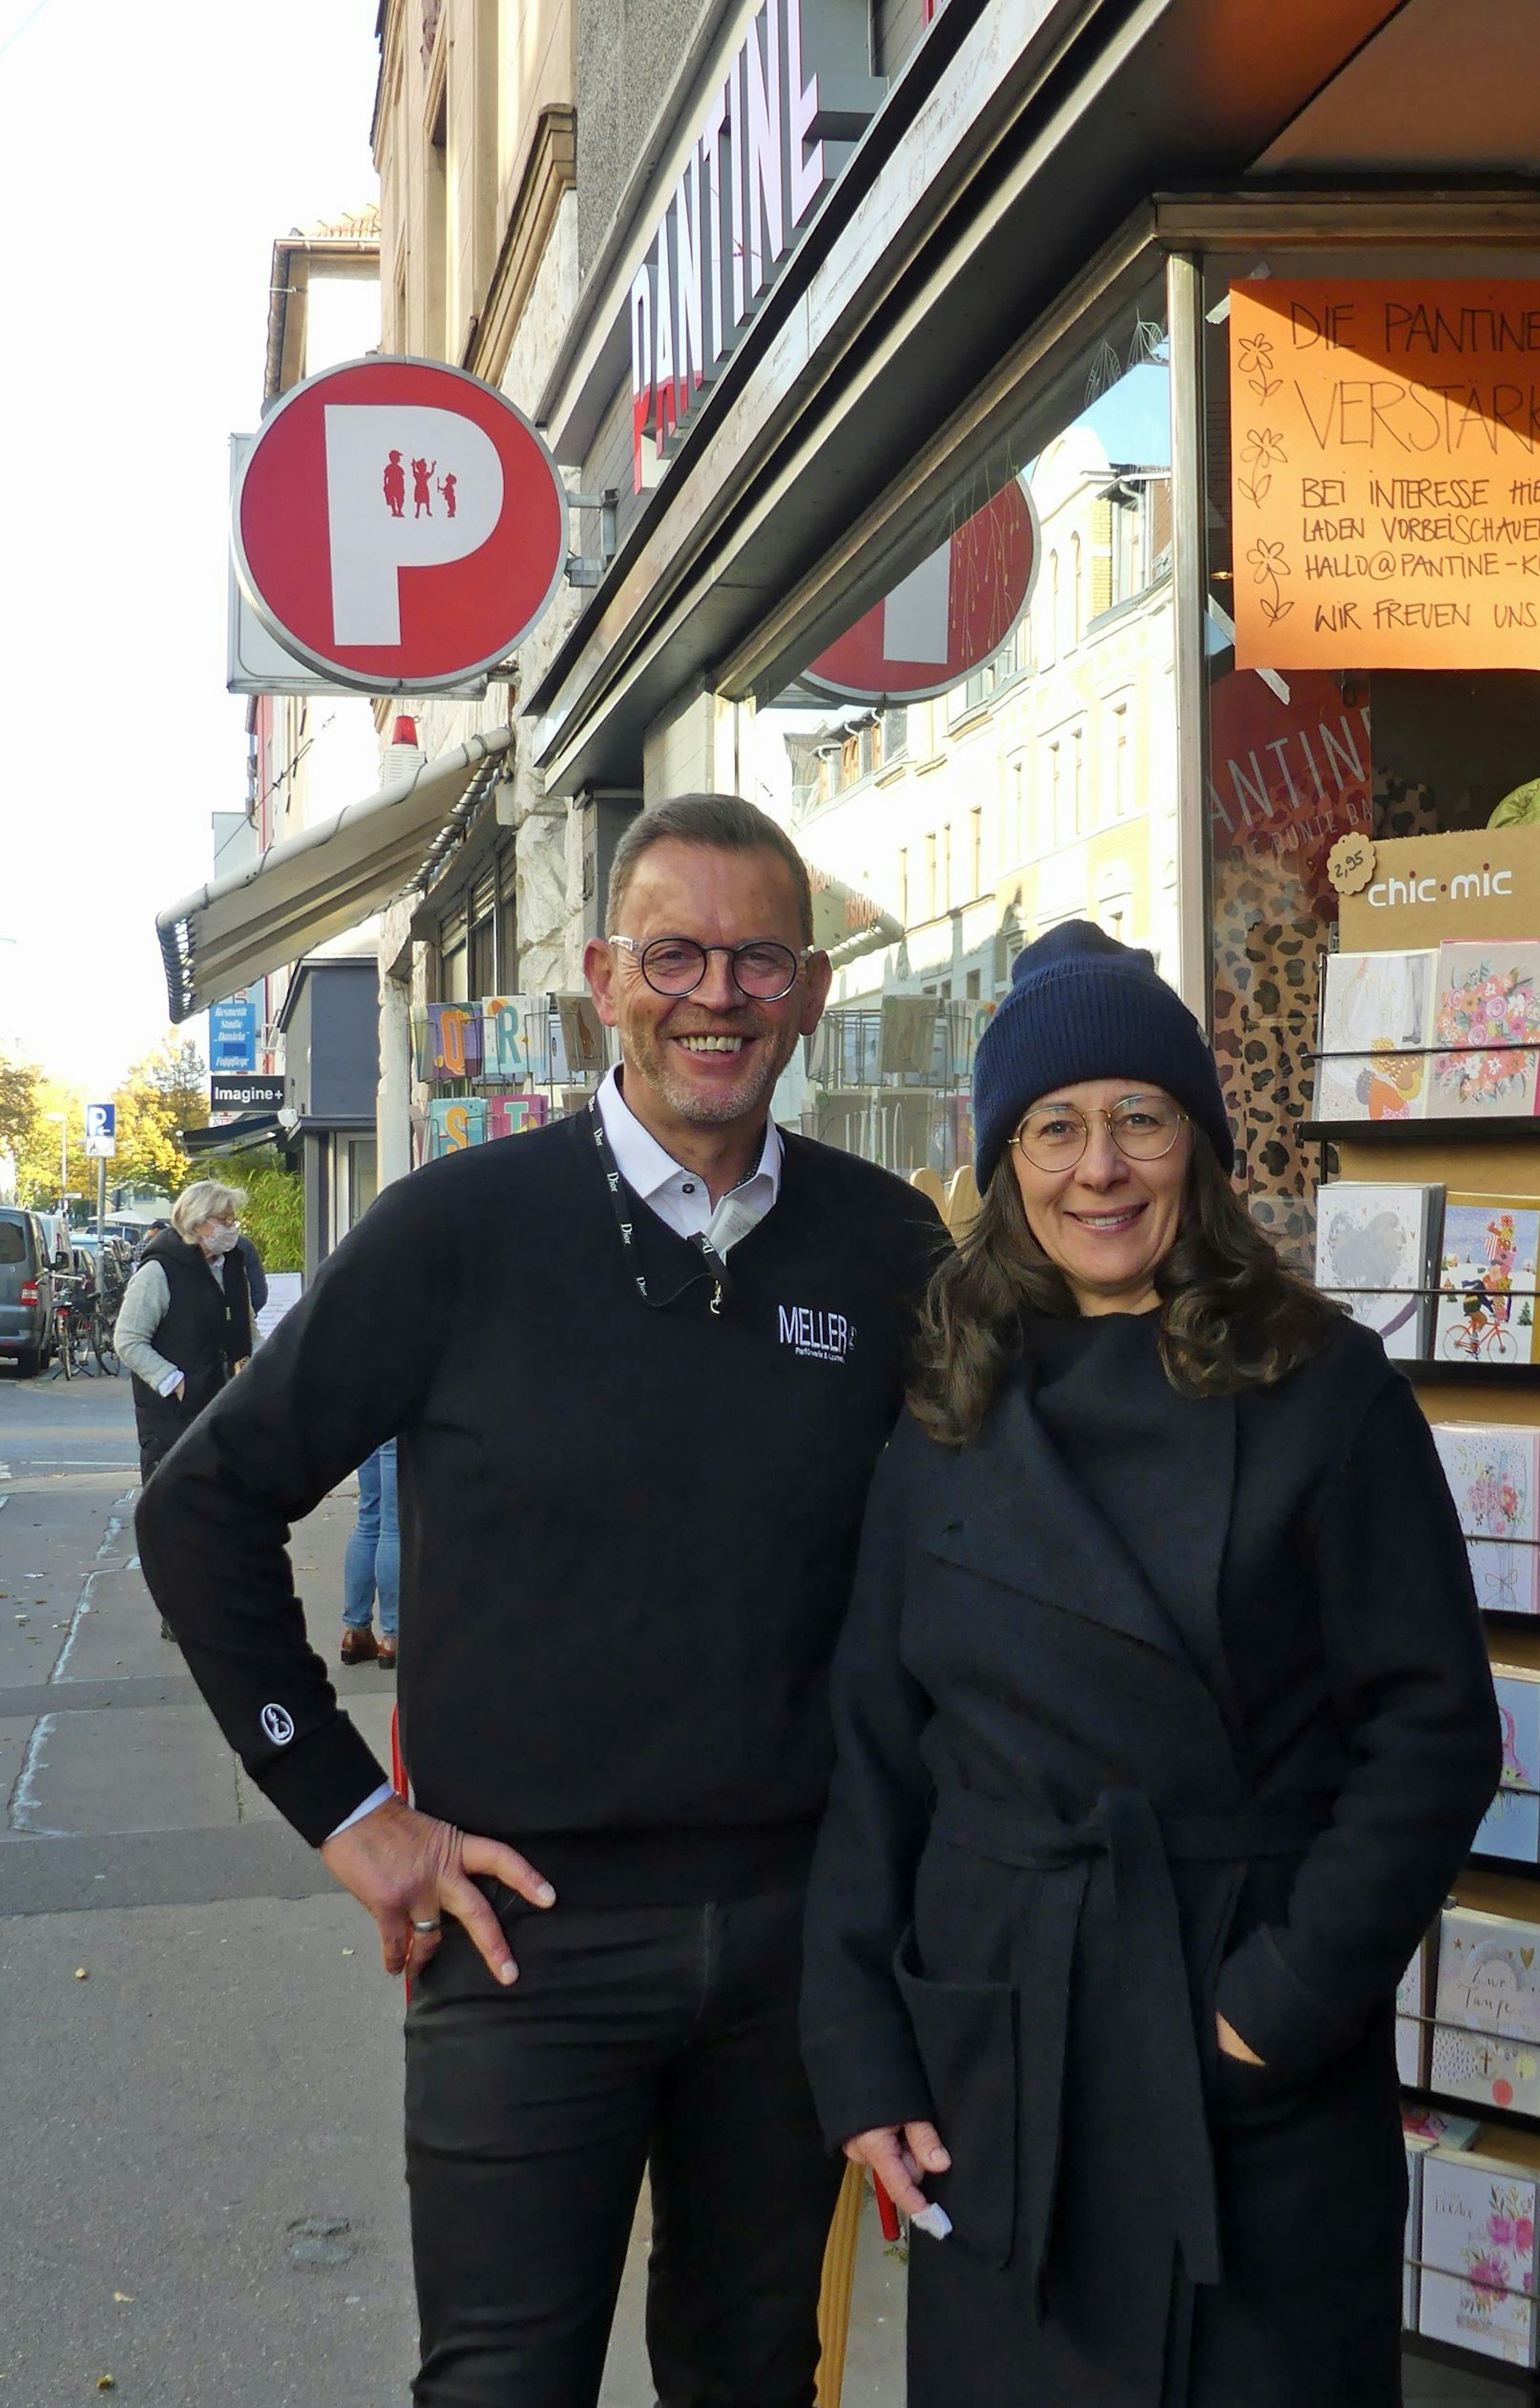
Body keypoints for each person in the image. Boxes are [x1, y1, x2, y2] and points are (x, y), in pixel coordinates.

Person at [134, 793, 947, 2408]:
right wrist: (349, 1806)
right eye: (673, 954)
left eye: (758, 960)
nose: (714, 994)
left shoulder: (884, 1248)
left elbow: (976, 1558)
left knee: (751, 2377)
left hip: (801, 1946)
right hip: (523, 1944)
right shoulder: (459, 1228)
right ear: (598, 975)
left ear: (812, 988)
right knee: (502, 2385)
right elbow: (203, 1507)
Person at [799, 922, 1501, 2408]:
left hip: (1241, 2053)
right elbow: (873, 1746)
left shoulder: (1326, 1389)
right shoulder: (944, 1405)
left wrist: (1273, 2004)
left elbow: (1430, 1732)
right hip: (1006, 2052)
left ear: (1196, 1142)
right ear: (1003, 1163)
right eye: (1052, 1125)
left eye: (1136, 1118)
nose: (1095, 1167)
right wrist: (862, 2048)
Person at [114, 1180, 255, 1487]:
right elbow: (128, 1339)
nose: (232, 1227)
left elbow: (248, 1328)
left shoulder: (230, 1266)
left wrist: (262, 1369)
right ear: (197, 1222)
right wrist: (176, 1383)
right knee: (177, 1513)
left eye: (234, 1220)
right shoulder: (158, 1271)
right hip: (173, 1422)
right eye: (224, 1221)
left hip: (227, 1412)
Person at [342, 1439, 399, 1667]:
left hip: (364, 1413)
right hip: (396, 1414)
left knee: (368, 1519)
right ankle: (393, 1634)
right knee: (394, 1526)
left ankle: (355, 1630)